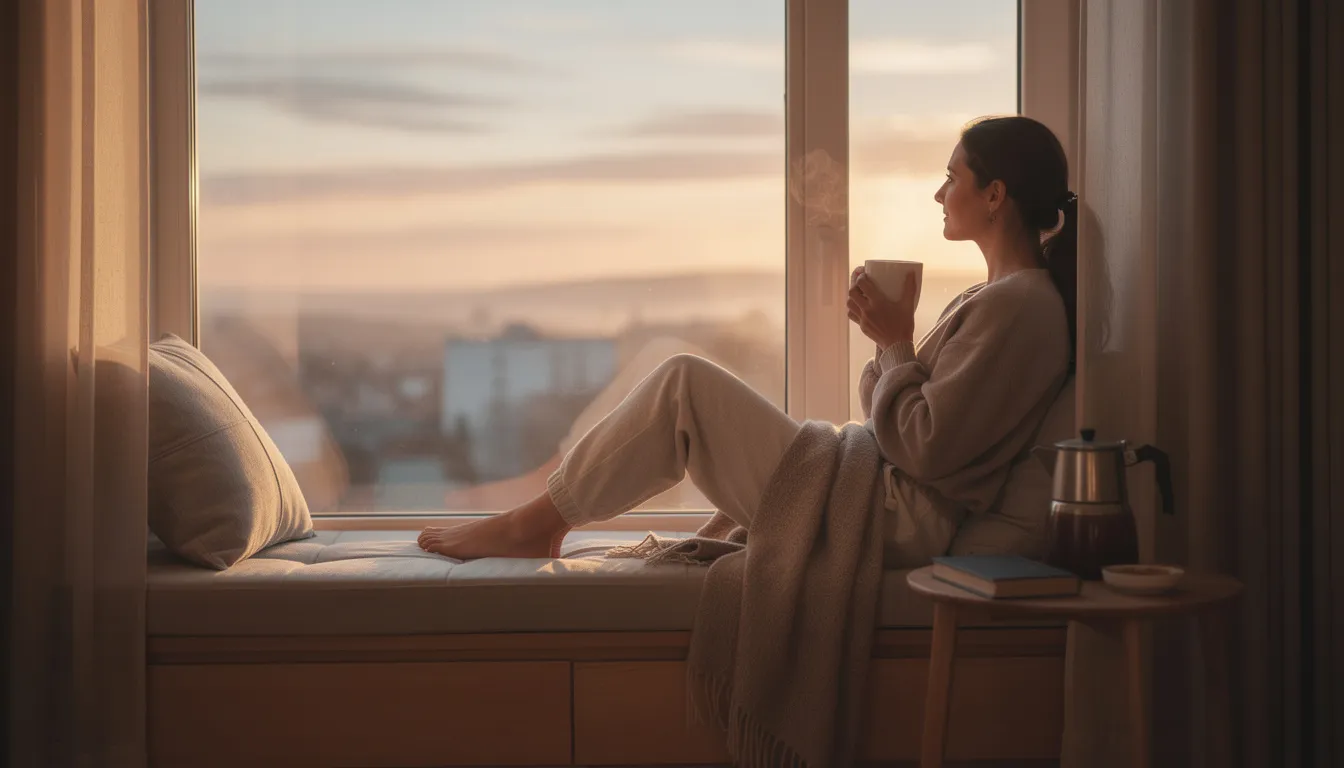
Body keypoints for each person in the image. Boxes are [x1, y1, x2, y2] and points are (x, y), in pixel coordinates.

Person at [418, 114, 1075, 564]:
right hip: (877, 486)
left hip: (895, 516)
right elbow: (908, 415)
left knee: (682, 381)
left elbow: (929, 448)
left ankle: (533, 525)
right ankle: (540, 518)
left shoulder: (1022, 307)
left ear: (994, 195)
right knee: (678, 375)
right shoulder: (998, 298)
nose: (940, 192)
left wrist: (897, 343)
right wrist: (887, 343)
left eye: (953, 178)